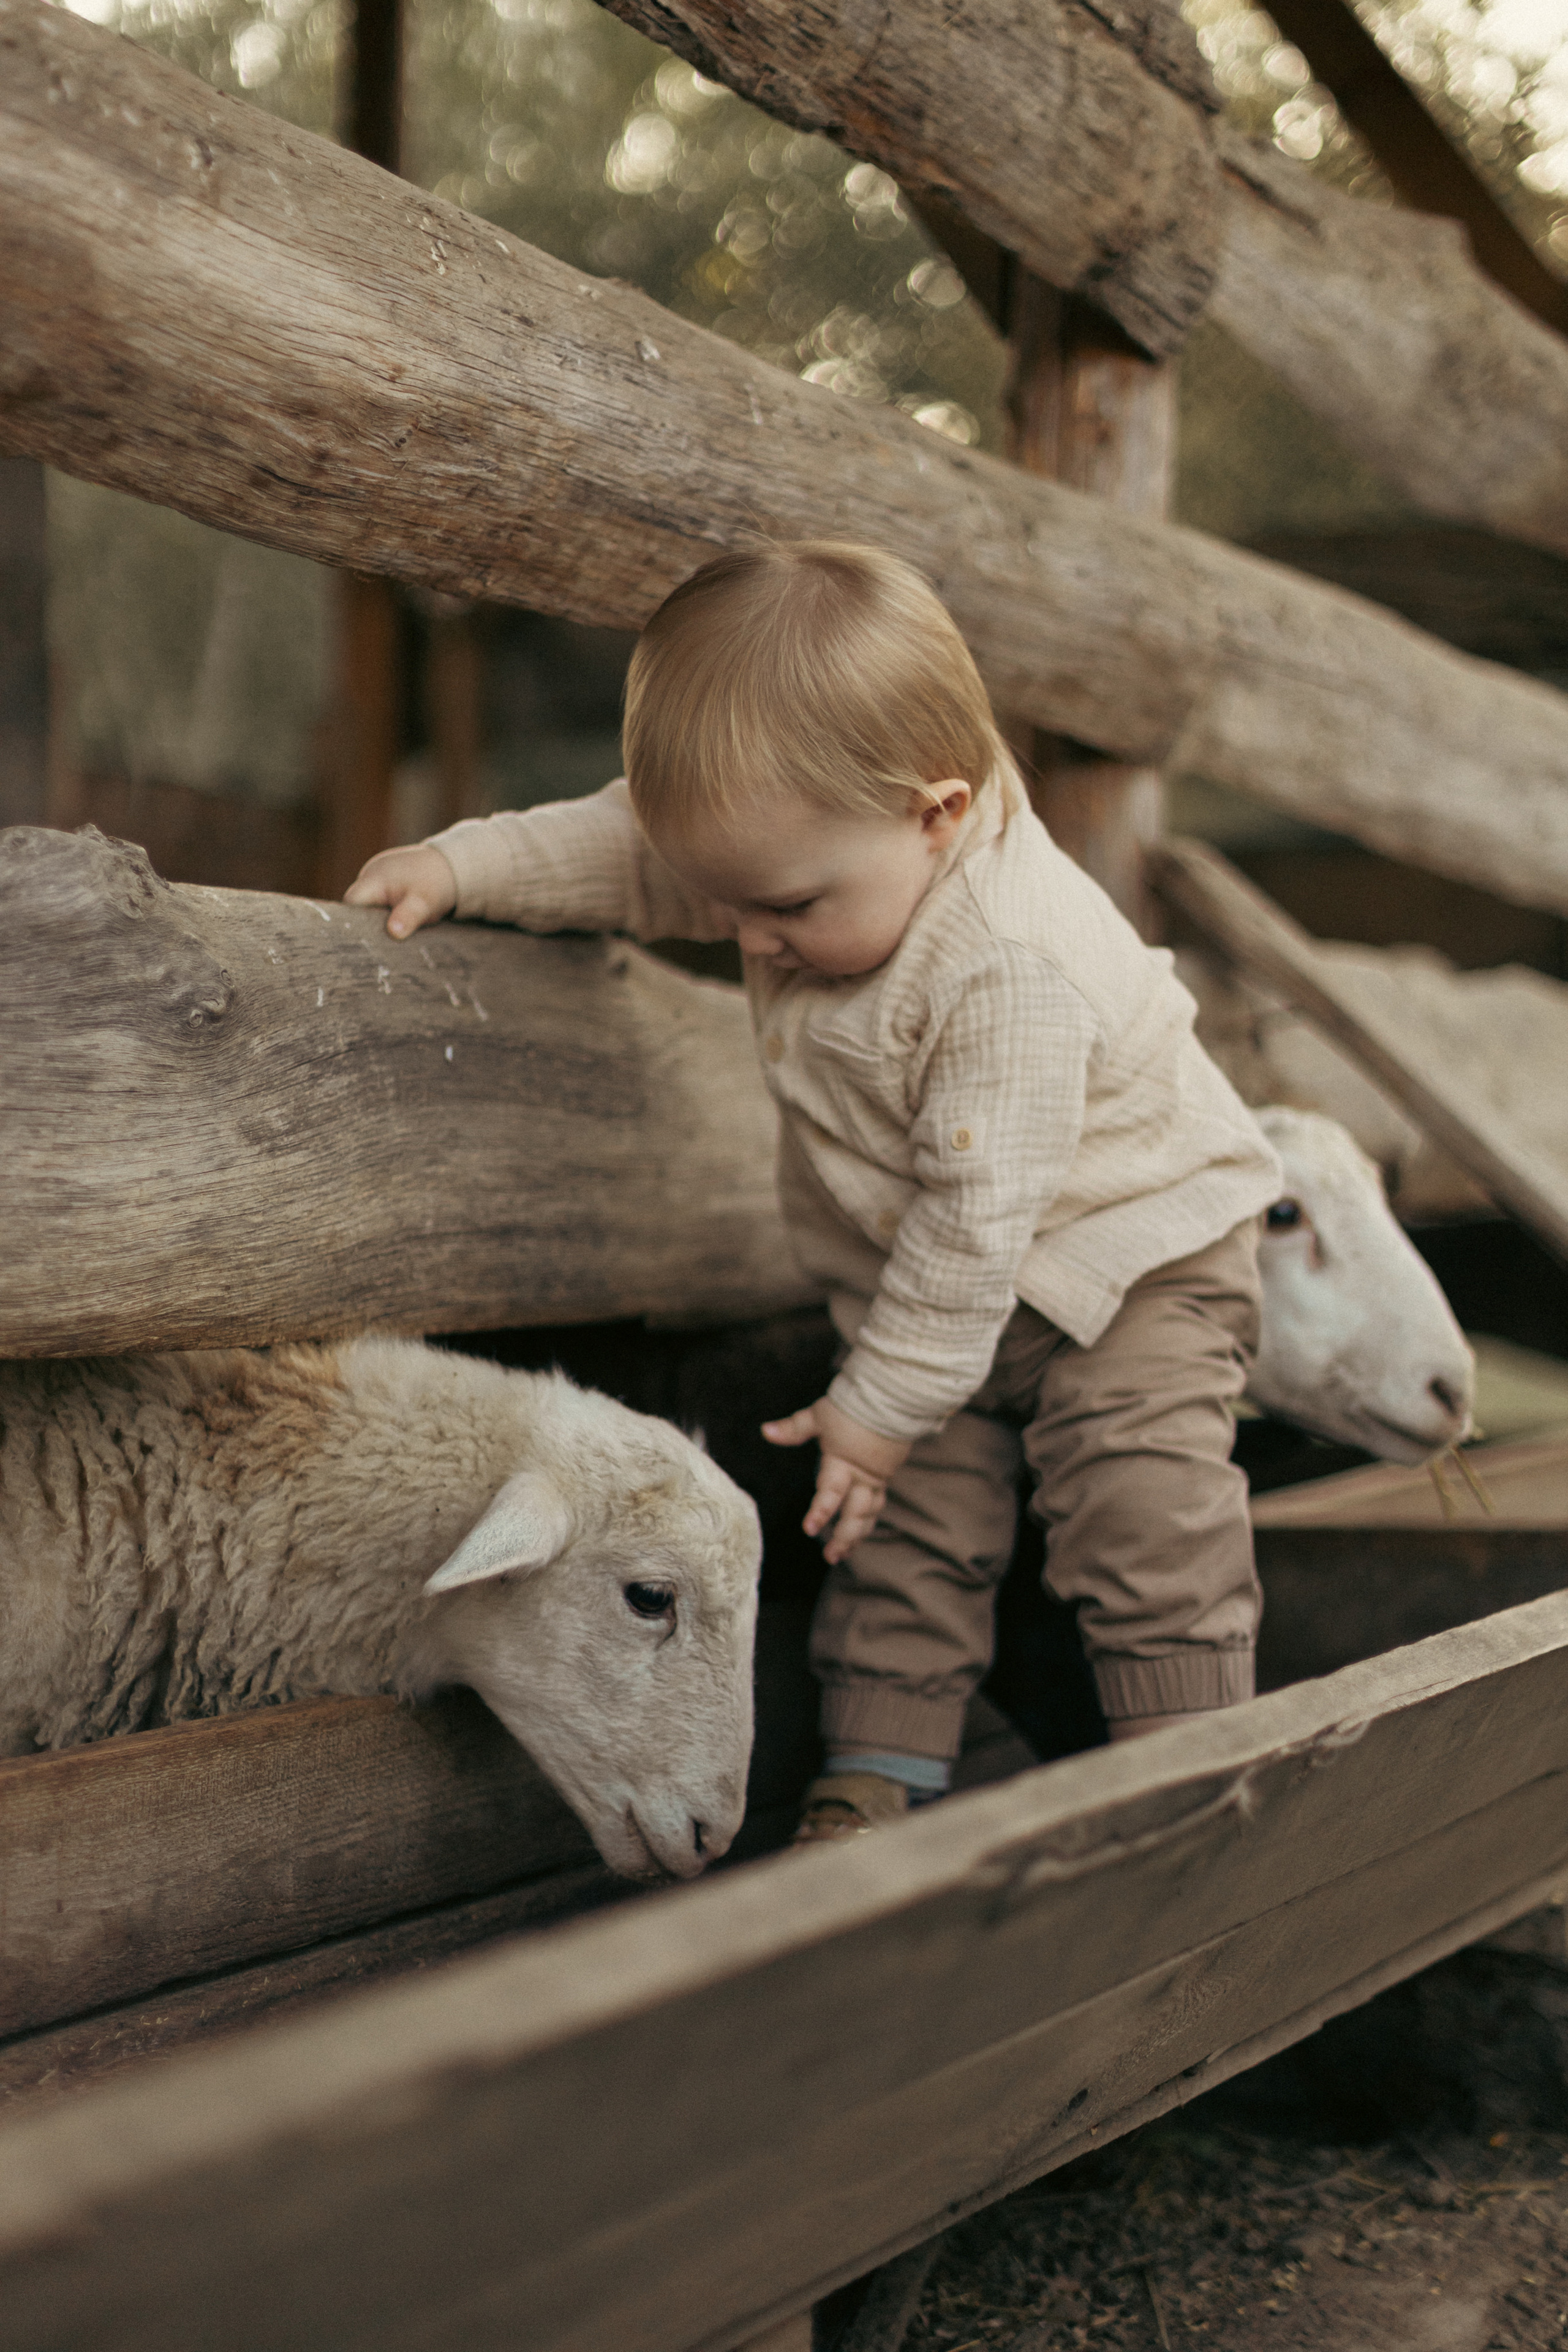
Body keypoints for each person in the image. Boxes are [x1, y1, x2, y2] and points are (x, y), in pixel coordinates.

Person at [347, 541, 1281, 1842]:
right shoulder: (810, 849)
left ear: (938, 814)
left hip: (1123, 1263)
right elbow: (630, 849)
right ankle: (878, 1774)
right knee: (895, 1524)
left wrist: (879, 1403)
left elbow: (973, 1224)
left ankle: (1195, 1764)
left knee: (1134, 1502)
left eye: (779, 904)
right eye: (720, 896)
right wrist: (464, 867)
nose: (740, 935)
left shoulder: (1006, 969)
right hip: (935, 1293)